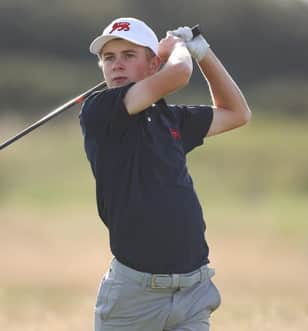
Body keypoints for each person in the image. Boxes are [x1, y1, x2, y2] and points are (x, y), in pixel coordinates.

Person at [79, 17, 251, 331]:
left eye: (129, 56)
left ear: (152, 63)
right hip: (133, 298)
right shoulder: (99, 110)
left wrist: (204, 53)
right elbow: (179, 74)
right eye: (109, 58)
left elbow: (237, 113)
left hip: (193, 291)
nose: (117, 64)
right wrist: (180, 49)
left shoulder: (170, 120)